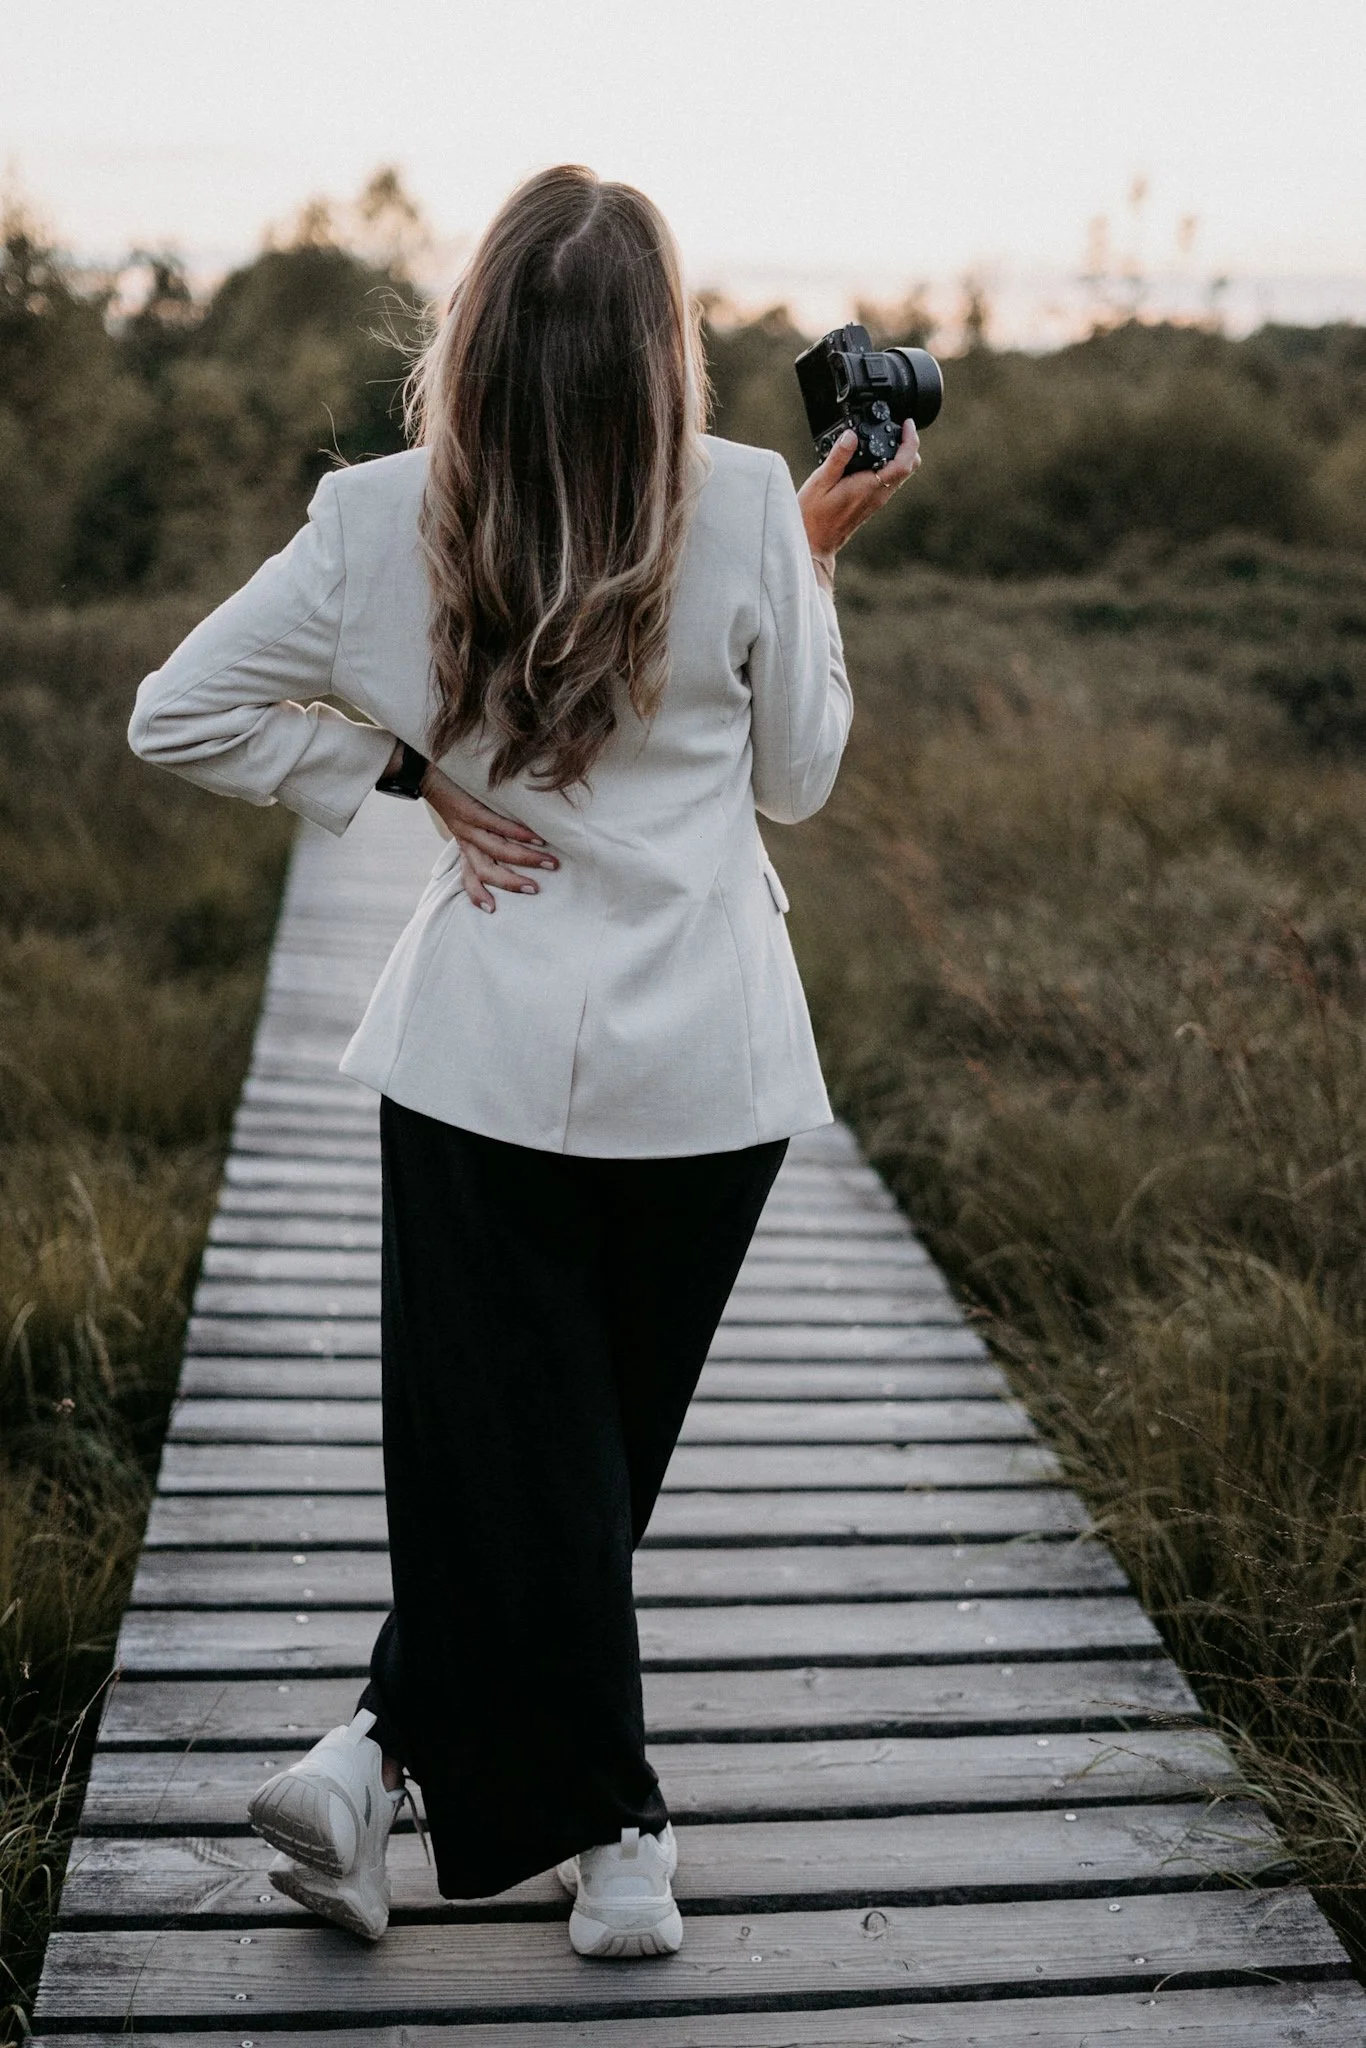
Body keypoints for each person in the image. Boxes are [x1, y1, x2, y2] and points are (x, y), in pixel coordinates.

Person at [127, 164, 920, 1959]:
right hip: (710, 1078)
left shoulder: (369, 517)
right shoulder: (734, 505)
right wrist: (803, 561)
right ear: (662, 356)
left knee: (526, 1466)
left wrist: (399, 779)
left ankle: (377, 1756)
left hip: (476, 1060)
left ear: (470, 338)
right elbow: (797, 776)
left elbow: (177, 711)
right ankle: (612, 1834)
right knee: (579, 1467)